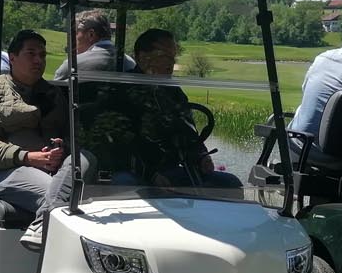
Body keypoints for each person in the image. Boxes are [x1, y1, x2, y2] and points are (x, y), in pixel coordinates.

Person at [0, 30, 91, 250]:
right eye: (31, 54)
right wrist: (27, 157)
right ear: (12, 58)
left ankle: (44, 228)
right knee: (66, 197)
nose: (38, 60)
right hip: (7, 170)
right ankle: (46, 229)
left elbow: (73, 135)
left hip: (55, 169)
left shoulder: (54, 94)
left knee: (86, 158)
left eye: (42, 55)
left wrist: (62, 146)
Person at [124, 29, 241, 188]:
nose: (171, 64)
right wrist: (150, 174)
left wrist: (201, 155)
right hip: (139, 172)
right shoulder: (124, 91)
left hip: (171, 170)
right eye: (165, 56)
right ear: (143, 58)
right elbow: (119, 145)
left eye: (173, 57)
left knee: (231, 184)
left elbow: (187, 131)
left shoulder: (172, 92)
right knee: (127, 182)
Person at [51, 10, 137, 81]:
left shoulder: (72, 65)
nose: (73, 39)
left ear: (91, 34)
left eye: (76, 33)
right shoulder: (130, 63)